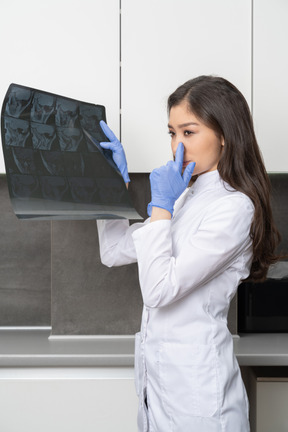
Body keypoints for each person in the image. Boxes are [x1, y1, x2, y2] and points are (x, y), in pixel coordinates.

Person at [96, 75, 280, 432]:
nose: (177, 147)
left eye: (188, 132)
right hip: (160, 390)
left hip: (199, 400)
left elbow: (159, 290)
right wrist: (110, 187)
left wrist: (161, 207)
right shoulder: (185, 195)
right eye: (172, 133)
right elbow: (114, 250)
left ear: (225, 136)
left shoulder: (234, 208)